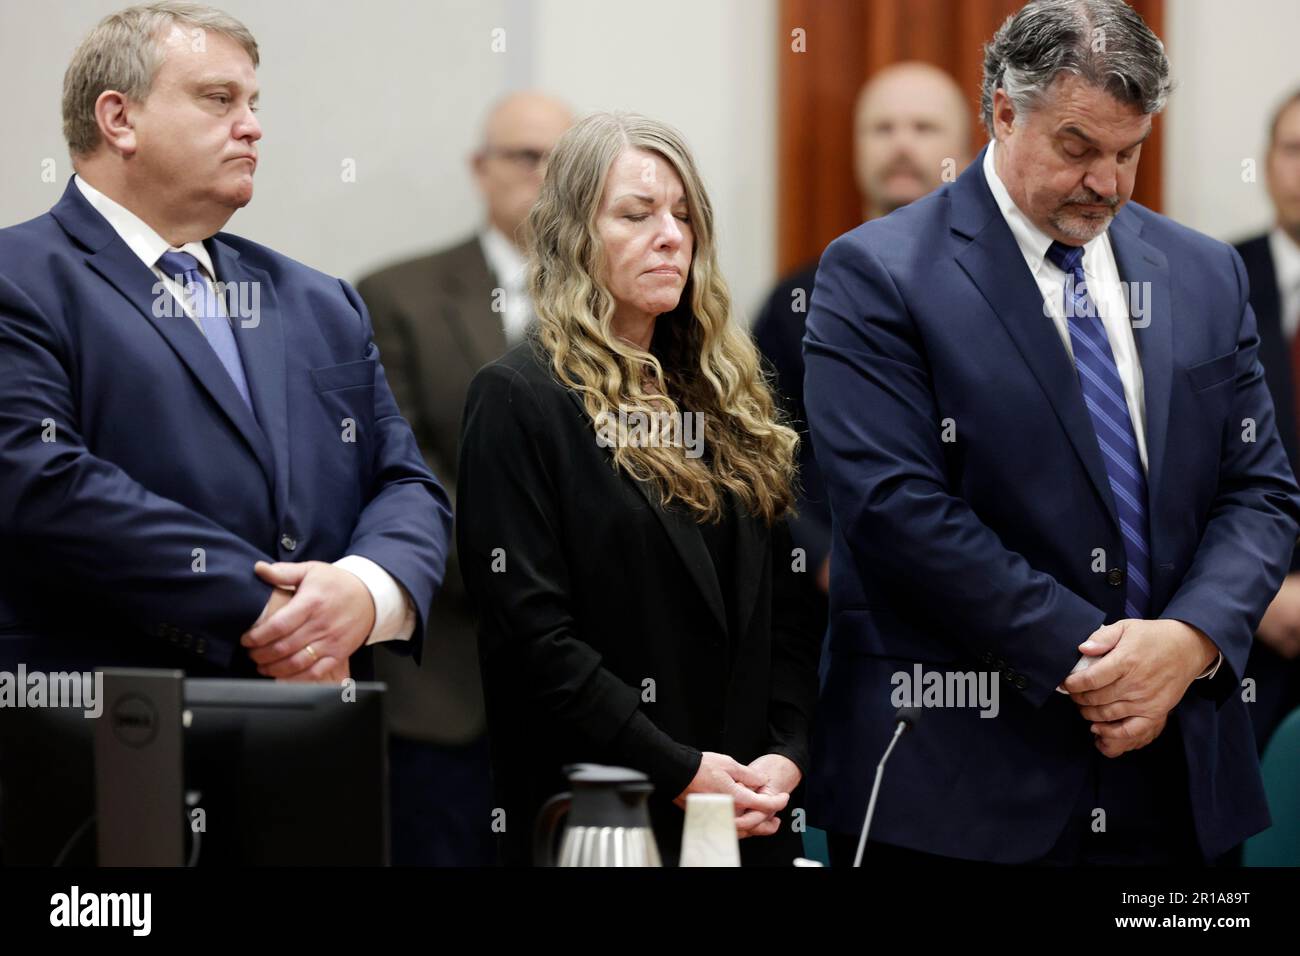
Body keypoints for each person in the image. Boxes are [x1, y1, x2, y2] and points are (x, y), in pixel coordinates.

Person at [804, 0, 1300, 866]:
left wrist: (1186, 645)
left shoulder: (1205, 273)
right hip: (963, 781)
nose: (1105, 182)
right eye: (1077, 148)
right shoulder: (877, 273)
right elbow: (896, 511)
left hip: (1175, 773)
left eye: (1129, 152)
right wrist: (1102, 664)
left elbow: (1258, 491)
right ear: (1002, 111)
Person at [0, 1, 450, 681]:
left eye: (254, 102)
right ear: (119, 118)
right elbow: (43, 484)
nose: (253, 127)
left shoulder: (320, 302)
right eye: (219, 99)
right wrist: (269, 608)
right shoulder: (21, 278)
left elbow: (404, 481)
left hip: (317, 730)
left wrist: (365, 591)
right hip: (106, 727)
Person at [457, 112, 823, 866]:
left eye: (684, 216)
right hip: (605, 810)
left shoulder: (727, 396)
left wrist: (787, 751)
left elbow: (788, 609)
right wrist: (679, 767)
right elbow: (535, 640)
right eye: (636, 214)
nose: (671, 235)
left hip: (749, 806)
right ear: (571, 236)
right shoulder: (519, 397)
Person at [355, 91, 573, 865]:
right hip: (445, 689)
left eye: (565, 161)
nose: (546, 177)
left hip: (587, 695)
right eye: (526, 157)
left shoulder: (621, 306)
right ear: (480, 170)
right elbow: (402, 473)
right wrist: (529, 582)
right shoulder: (395, 297)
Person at [754, 62, 972, 605]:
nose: (901, 144)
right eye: (882, 128)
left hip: (984, 595)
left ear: (967, 152)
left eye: (924, 128)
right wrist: (822, 555)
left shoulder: (1011, 295)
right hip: (833, 600)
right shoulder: (795, 301)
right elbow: (756, 450)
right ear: (856, 149)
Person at [1234, 87, 1300, 752]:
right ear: (1267, 161)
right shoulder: (1208, 281)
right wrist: (1260, 591)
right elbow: (1175, 467)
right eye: (1295, 150)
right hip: (1241, 635)